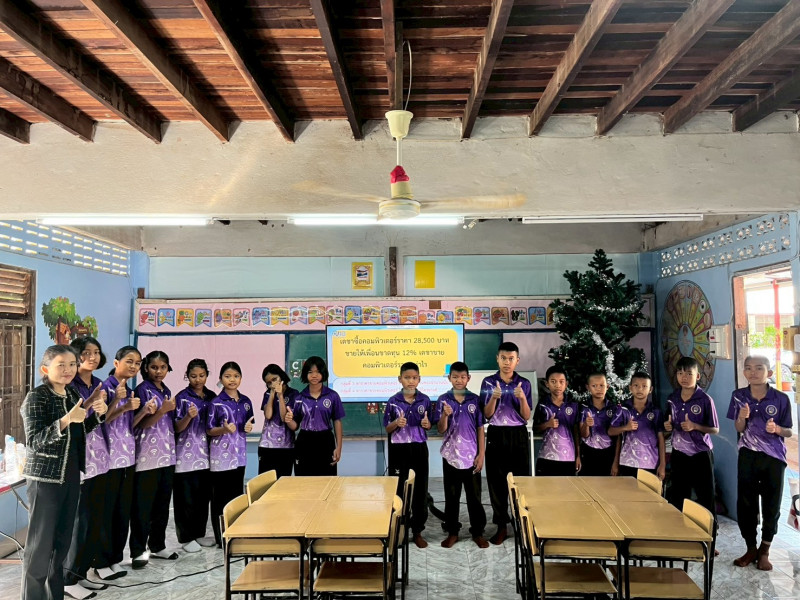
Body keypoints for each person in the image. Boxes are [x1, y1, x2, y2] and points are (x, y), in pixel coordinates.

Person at [21, 345, 107, 600]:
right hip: (45, 479)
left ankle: (54, 595)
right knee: (40, 547)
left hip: (70, 475)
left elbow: (78, 432)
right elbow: (34, 441)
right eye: (61, 365)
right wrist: (66, 419)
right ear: (45, 369)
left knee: (61, 544)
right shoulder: (37, 397)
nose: (68, 370)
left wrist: (97, 416)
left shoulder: (71, 393)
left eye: (72, 364)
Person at [727, 355, 793, 571]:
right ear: (744, 372)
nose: (753, 372)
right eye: (748, 368)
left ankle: (765, 550)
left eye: (758, 368)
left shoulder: (780, 398)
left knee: (771, 504)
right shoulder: (738, 396)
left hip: (774, 458)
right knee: (746, 504)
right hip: (748, 456)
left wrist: (777, 429)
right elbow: (738, 428)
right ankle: (750, 548)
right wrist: (742, 417)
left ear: (769, 373)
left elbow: (789, 431)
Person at [63, 337, 111, 600]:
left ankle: (82, 572)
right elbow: (73, 424)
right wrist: (92, 405)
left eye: (96, 352)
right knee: (79, 522)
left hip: (100, 458)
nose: (92, 357)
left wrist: (104, 409)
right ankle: (68, 578)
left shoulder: (99, 383)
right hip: (81, 461)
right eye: (86, 352)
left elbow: (102, 420)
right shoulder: (70, 386)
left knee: (95, 520)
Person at [94, 347, 142, 581]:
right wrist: (121, 404)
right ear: (116, 363)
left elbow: (129, 425)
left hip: (127, 458)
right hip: (109, 459)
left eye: (138, 363)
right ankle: (101, 562)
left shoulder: (130, 390)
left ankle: (115, 558)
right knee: (107, 512)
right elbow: (101, 420)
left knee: (123, 511)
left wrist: (142, 411)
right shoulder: (104, 388)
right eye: (129, 361)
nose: (133, 366)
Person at [130, 351, 178, 569]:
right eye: (154, 367)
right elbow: (142, 424)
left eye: (163, 367)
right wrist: (162, 410)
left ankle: (158, 545)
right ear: (146, 368)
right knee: (143, 507)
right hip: (147, 458)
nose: (159, 371)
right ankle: (138, 550)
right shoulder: (142, 390)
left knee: (162, 505)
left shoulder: (165, 390)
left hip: (167, 456)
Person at [480, 342, 532, 545]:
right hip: (496, 433)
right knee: (497, 482)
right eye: (503, 358)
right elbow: (487, 414)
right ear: (497, 359)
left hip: (518, 435)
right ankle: (501, 526)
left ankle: (521, 524)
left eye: (511, 359)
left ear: (517, 360)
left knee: (520, 482)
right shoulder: (488, 382)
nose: (507, 362)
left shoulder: (524, 383)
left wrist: (523, 399)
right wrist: (494, 398)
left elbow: (526, 416)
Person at [434, 362, 488, 549]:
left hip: (472, 457)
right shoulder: (443, 400)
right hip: (451, 457)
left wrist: (481, 455)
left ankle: (478, 532)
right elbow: (441, 429)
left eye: (462, 377)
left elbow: (480, 428)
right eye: (455, 377)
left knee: (474, 497)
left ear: (468, 378)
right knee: (451, 496)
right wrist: (444, 415)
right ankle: (452, 532)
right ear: (449, 378)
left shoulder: (475, 400)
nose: (459, 380)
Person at [664, 356, 719, 537]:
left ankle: (710, 537)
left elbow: (714, 429)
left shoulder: (705, 399)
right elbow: (668, 424)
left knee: (706, 497)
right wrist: (668, 426)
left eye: (689, 373)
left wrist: (695, 426)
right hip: (679, 453)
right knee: (679, 496)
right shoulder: (672, 399)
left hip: (700, 454)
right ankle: (681, 535)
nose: (684, 377)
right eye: (680, 373)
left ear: (697, 376)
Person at [383, 362, 432, 548]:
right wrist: (396, 423)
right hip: (399, 450)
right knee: (399, 490)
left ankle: (418, 531)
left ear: (419, 379)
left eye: (414, 378)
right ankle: (400, 530)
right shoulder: (393, 401)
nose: (411, 381)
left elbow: (430, 424)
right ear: (400, 379)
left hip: (419, 449)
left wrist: (428, 424)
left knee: (420, 489)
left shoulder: (425, 400)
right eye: (407, 377)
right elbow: (387, 428)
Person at [206, 361, 254, 547]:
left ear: (241, 378)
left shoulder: (246, 401)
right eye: (227, 376)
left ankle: (236, 533)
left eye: (236, 376)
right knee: (220, 499)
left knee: (236, 497)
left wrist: (248, 428)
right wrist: (224, 430)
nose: (232, 380)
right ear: (221, 379)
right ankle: (221, 537)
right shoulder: (216, 403)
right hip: (220, 458)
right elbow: (210, 430)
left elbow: (248, 424)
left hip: (239, 457)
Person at [173, 358, 216, 553]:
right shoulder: (182, 398)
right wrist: (188, 417)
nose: (198, 380)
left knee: (202, 498)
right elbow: (176, 427)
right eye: (193, 376)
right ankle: (186, 537)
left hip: (207, 456)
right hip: (185, 456)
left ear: (207, 375)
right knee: (186, 499)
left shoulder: (212, 397)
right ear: (187, 376)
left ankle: (199, 534)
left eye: (201, 375)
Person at [289, 356, 344, 476]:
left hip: (326, 441)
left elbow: (337, 421)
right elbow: (294, 426)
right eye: (310, 372)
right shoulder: (299, 398)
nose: (314, 375)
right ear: (305, 374)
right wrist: (288, 419)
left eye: (318, 372)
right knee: (304, 480)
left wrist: (339, 447)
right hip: (305, 441)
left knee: (327, 480)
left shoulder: (333, 396)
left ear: (323, 373)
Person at [609, 371, 665, 479]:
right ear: (630, 388)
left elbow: (661, 439)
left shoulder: (656, 411)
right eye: (636, 385)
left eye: (644, 386)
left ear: (650, 389)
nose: (640, 389)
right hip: (627, 462)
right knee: (627, 490)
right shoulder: (623, 409)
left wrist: (662, 464)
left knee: (647, 490)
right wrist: (625, 427)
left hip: (650, 462)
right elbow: (611, 431)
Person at [533, 365, 580, 476]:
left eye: (561, 382)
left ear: (566, 384)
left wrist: (578, 456)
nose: (557, 385)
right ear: (547, 384)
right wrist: (547, 424)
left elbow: (576, 432)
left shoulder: (573, 404)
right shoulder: (543, 404)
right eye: (553, 382)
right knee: (545, 487)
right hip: (546, 456)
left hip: (568, 458)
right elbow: (535, 429)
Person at [257, 364, 299, 478]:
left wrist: (280, 396)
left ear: (281, 376)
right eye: (269, 382)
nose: (273, 384)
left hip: (286, 446)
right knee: (266, 482)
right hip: (267, 445)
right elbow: (268, 415)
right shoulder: (267, 394)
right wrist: (272, 393)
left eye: (275, 379)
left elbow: (284, 417)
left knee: (283, 482)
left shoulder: (294, 394)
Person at [578, 373, 617, 476]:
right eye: (594, 386)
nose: (598, 389)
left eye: (601, 385)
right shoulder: (584, 407)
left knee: (607, 484)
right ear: (588, 387)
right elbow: (583, 435)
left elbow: (618, 437)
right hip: (588, 452)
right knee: (588, 483)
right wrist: (586, 424)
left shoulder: (614, 408)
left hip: (608, 452)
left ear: (607, 387)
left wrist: (616, 461)